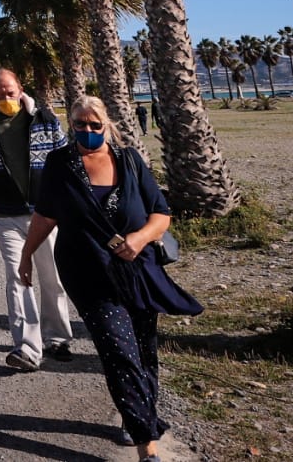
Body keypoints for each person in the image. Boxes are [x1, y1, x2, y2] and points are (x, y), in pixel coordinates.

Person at [19, 95, 199, 460]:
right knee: (120, 351)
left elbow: (160, 214)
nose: (87, 131)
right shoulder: (59, 164)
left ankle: (137, 414)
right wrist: (26, 255)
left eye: (94, 125)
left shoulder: (130, 161)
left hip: (138, 271)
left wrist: (138, 239)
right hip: (86, 273)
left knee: (145, 351)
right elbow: (45, 216)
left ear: (108, 125)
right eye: (79, 125)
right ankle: (145, 442)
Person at [0, 68, 76, 370]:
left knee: (52, 276)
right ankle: (27, 347)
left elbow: (66, 158)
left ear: (20, 88)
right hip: (6, 214)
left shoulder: (45, 119)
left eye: (10, 91)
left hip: (45, 213)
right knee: (18, 277)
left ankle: (57, 338)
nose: (6, 96)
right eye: (0, 92)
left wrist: (63, 199)